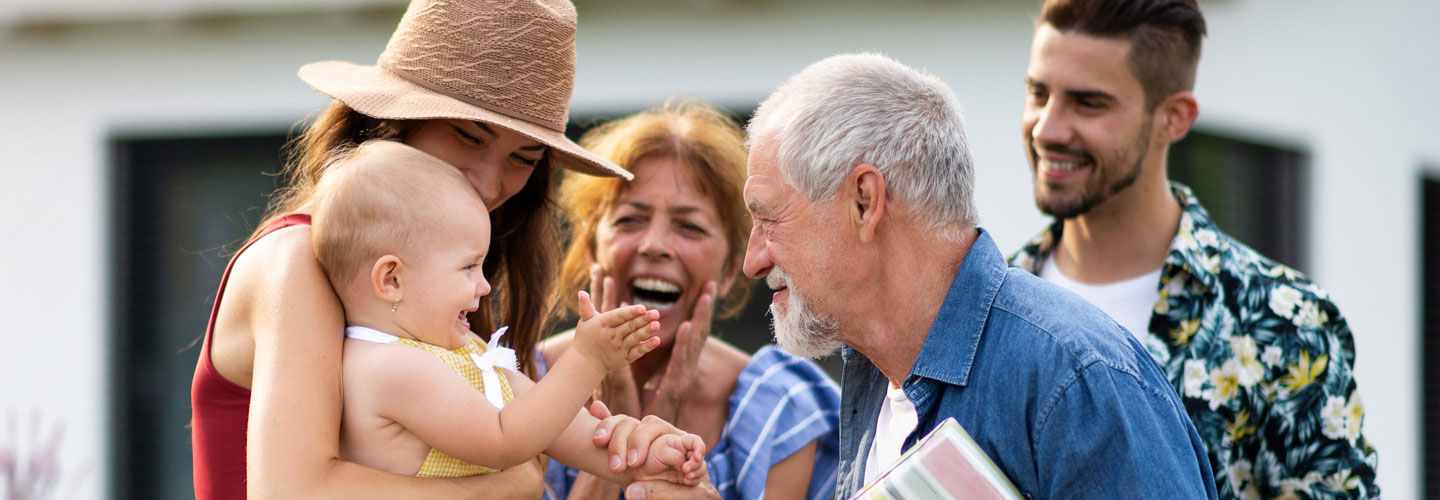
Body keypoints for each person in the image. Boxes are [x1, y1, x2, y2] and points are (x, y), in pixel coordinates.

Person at [187, 0, 654, 498]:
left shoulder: (440, 278)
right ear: (395, 119)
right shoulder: (299, 258)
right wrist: (502, 485)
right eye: (469, 136)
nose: (491, 184)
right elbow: (289, 489)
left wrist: (633, 449)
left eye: (523, 158)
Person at [735, 52, 1217, 500]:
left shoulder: (1074, 381)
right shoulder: (873, 374)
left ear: (865, 200)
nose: (752, 260)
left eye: (768, 218)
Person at [1008, 1, 1380, 498]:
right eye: (1038, 93)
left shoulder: (1287, 324)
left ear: (1174, 118)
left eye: (1088, 103)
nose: (1046, 129)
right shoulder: (990, 309)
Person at [307, 140, 705, 485]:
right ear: (391, 279)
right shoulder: (387, 367)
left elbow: (553, 426)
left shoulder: (455, 351)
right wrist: (588, 359)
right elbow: (505, 439)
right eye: (467, 267)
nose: (484, 285)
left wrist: (636, 454)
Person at [538, 101, 841, 500]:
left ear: (734, 264)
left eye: (689, 226)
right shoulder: (521, 380)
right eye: (630, 219)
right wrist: (620, 448)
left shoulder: (781, 406)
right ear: (591, 246)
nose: (655, 245)